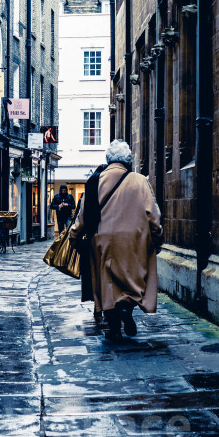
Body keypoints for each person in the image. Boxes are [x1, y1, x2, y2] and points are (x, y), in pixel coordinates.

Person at [68, 140, 162, 340]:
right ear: (128, 160)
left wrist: (74, 237)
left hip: (103, 241)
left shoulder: (96, 181)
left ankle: (113, 327)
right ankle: (127, 309)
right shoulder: (140, 180)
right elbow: (153, 215)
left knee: (107, 282)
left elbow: (83, 217)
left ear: (108, 159)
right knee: (131, 278)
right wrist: (157, 239)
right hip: (134, 241)